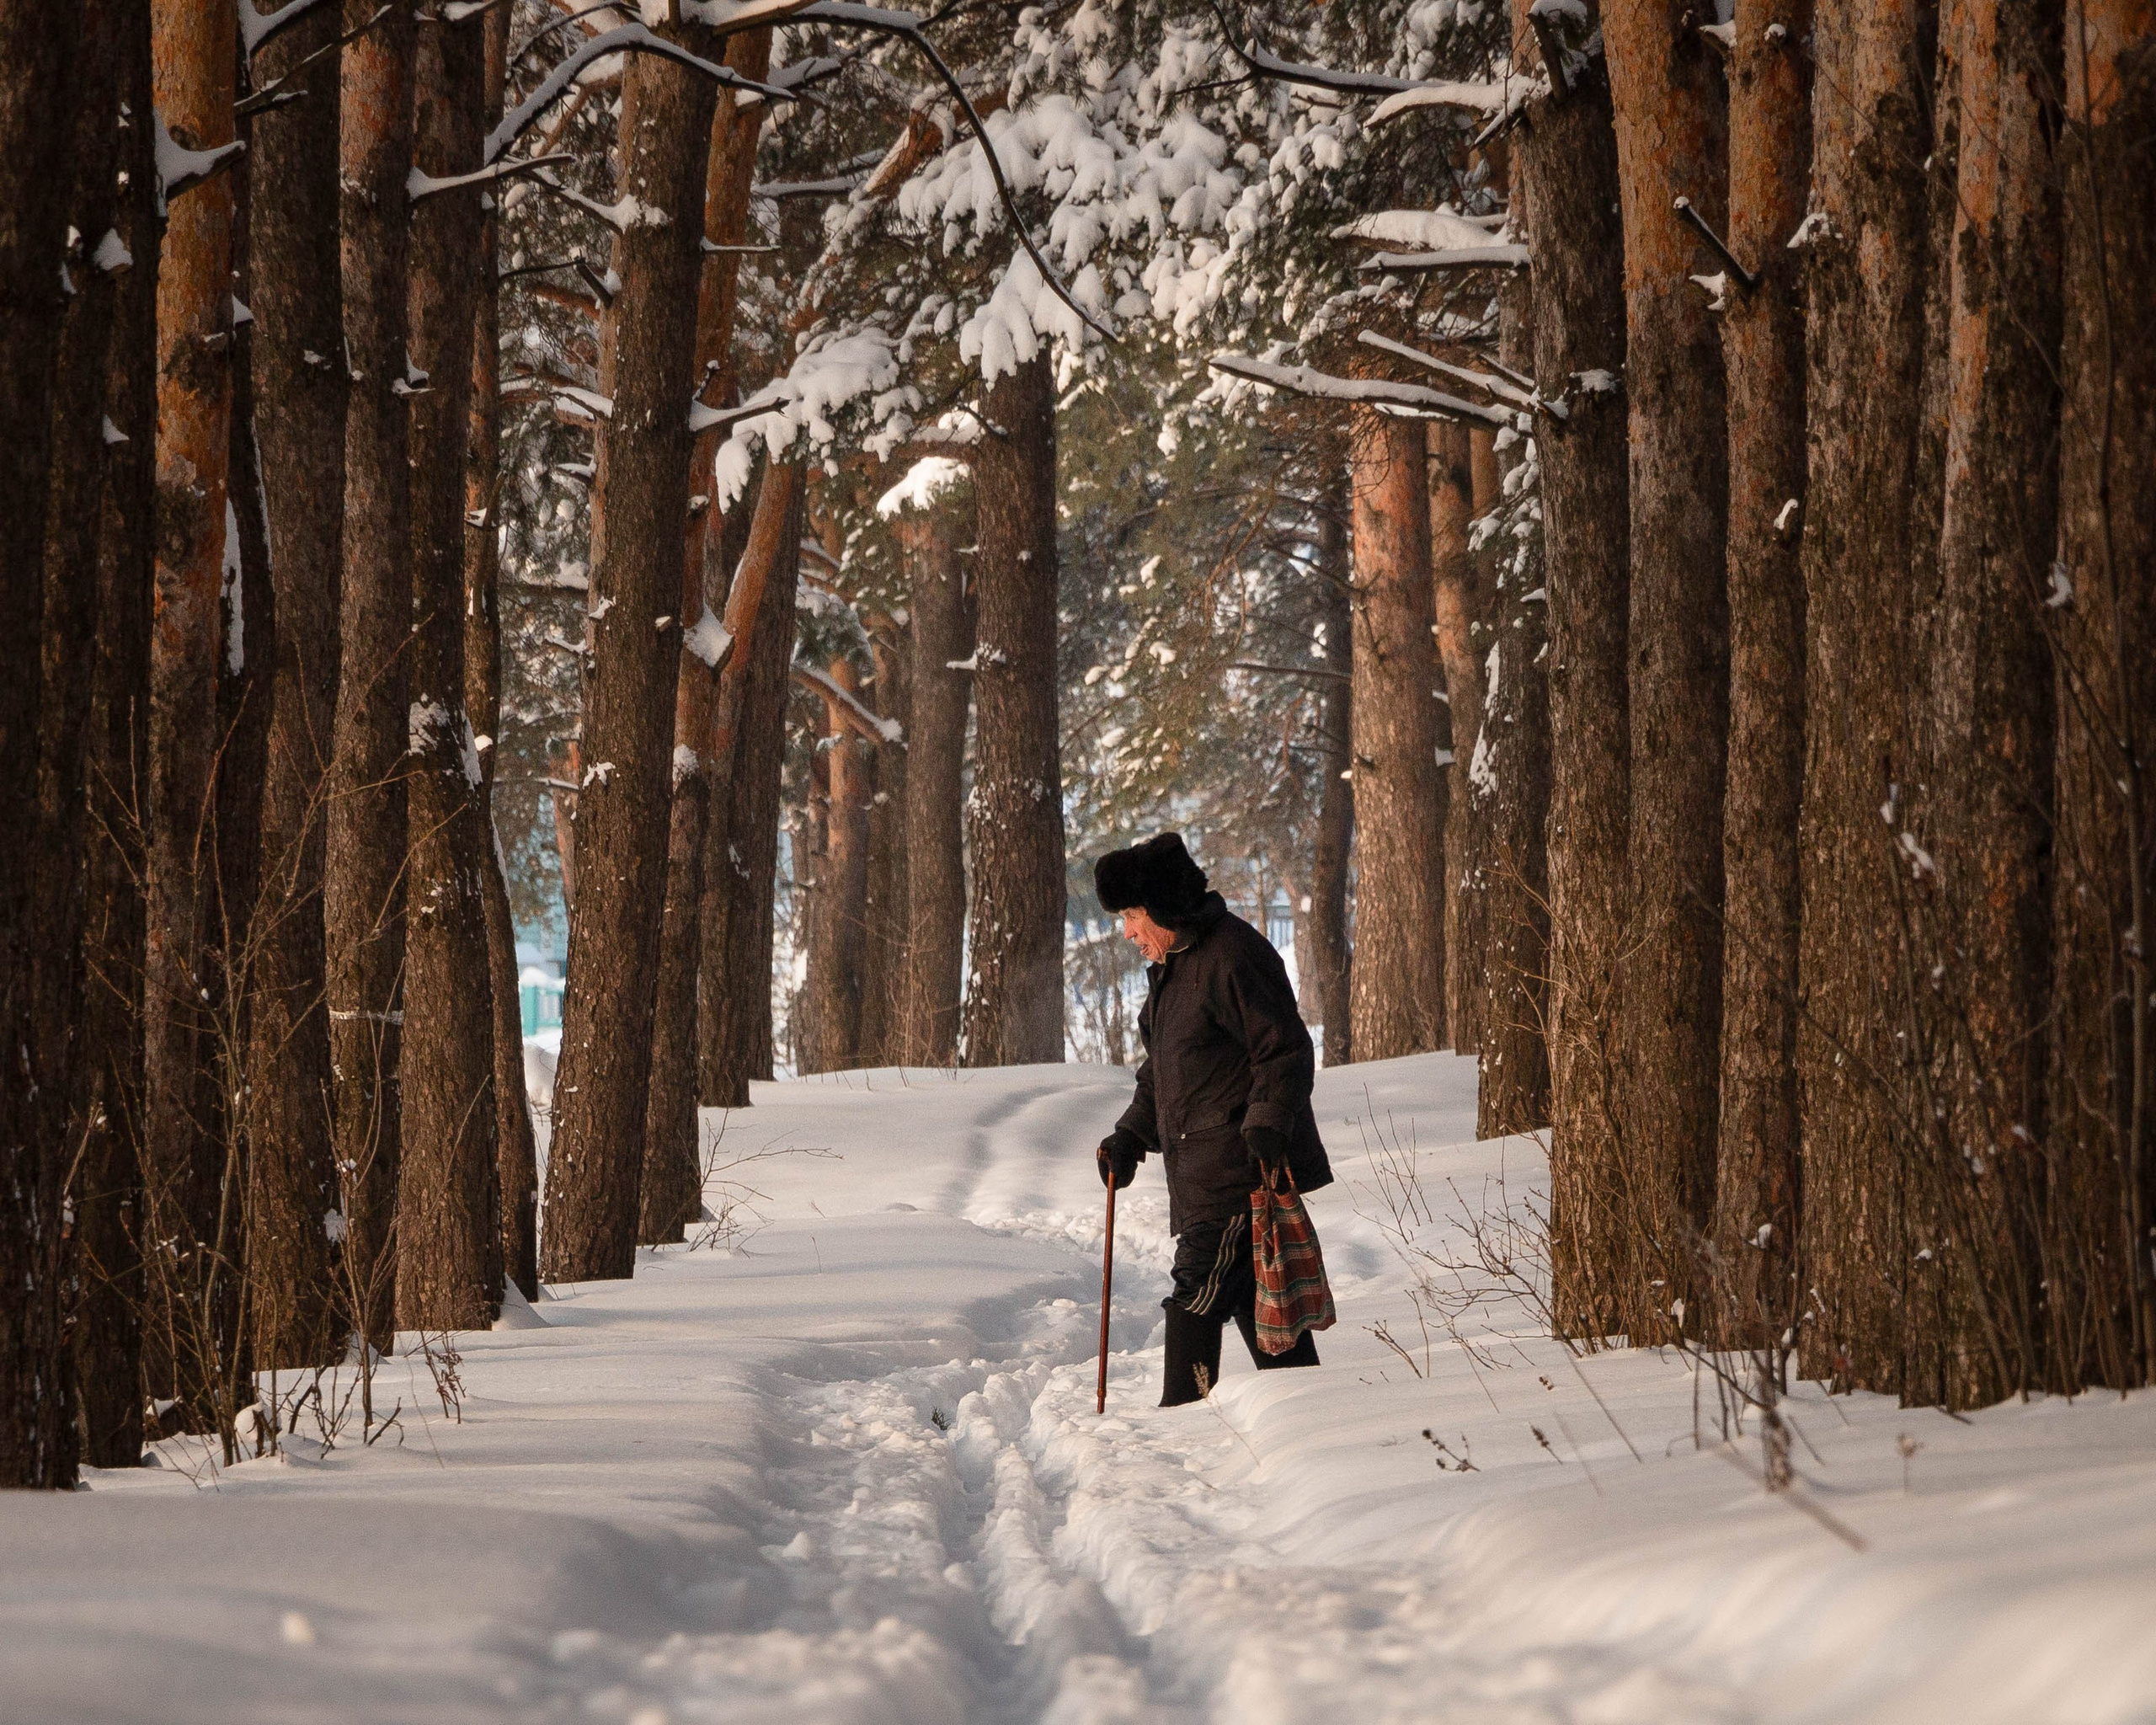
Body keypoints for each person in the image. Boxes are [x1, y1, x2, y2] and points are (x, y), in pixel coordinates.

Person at [1092, 832, 1331, 1406]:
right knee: (1256, 1302)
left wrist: (1269, 1121)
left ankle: (1180, 1415)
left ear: (1163, 906)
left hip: (1237, 1171)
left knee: (1194, 1292)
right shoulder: (1176, 969)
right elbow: (1167, 1073)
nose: (1127, 932)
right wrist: (1130, 1135)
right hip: (1203, 1171)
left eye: (1131, 915)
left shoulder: (1232, 955)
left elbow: (1286, 1049)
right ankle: (1312, 1419)